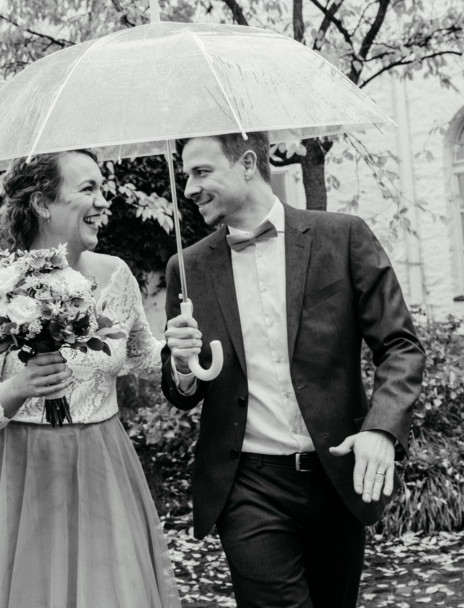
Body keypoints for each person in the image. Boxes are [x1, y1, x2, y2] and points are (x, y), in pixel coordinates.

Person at [162, 132, 425, 608]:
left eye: (201, 172)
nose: (190, 188)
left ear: (246, 164)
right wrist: (182, 364)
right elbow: (184, 391)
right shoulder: (188, 268)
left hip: (335, 475)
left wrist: (382, 431)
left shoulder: (343, 236)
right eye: (186, 176)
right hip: (248, 484)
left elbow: (400, 346)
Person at [0, 150, 181, 608]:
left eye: (101, 188)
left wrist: (179, 351)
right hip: (15, 479)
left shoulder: (115, 275)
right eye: (88, 189)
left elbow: (145, 359)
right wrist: (17, 388)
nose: (104, 201)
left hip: (102, 466)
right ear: (44, 202)